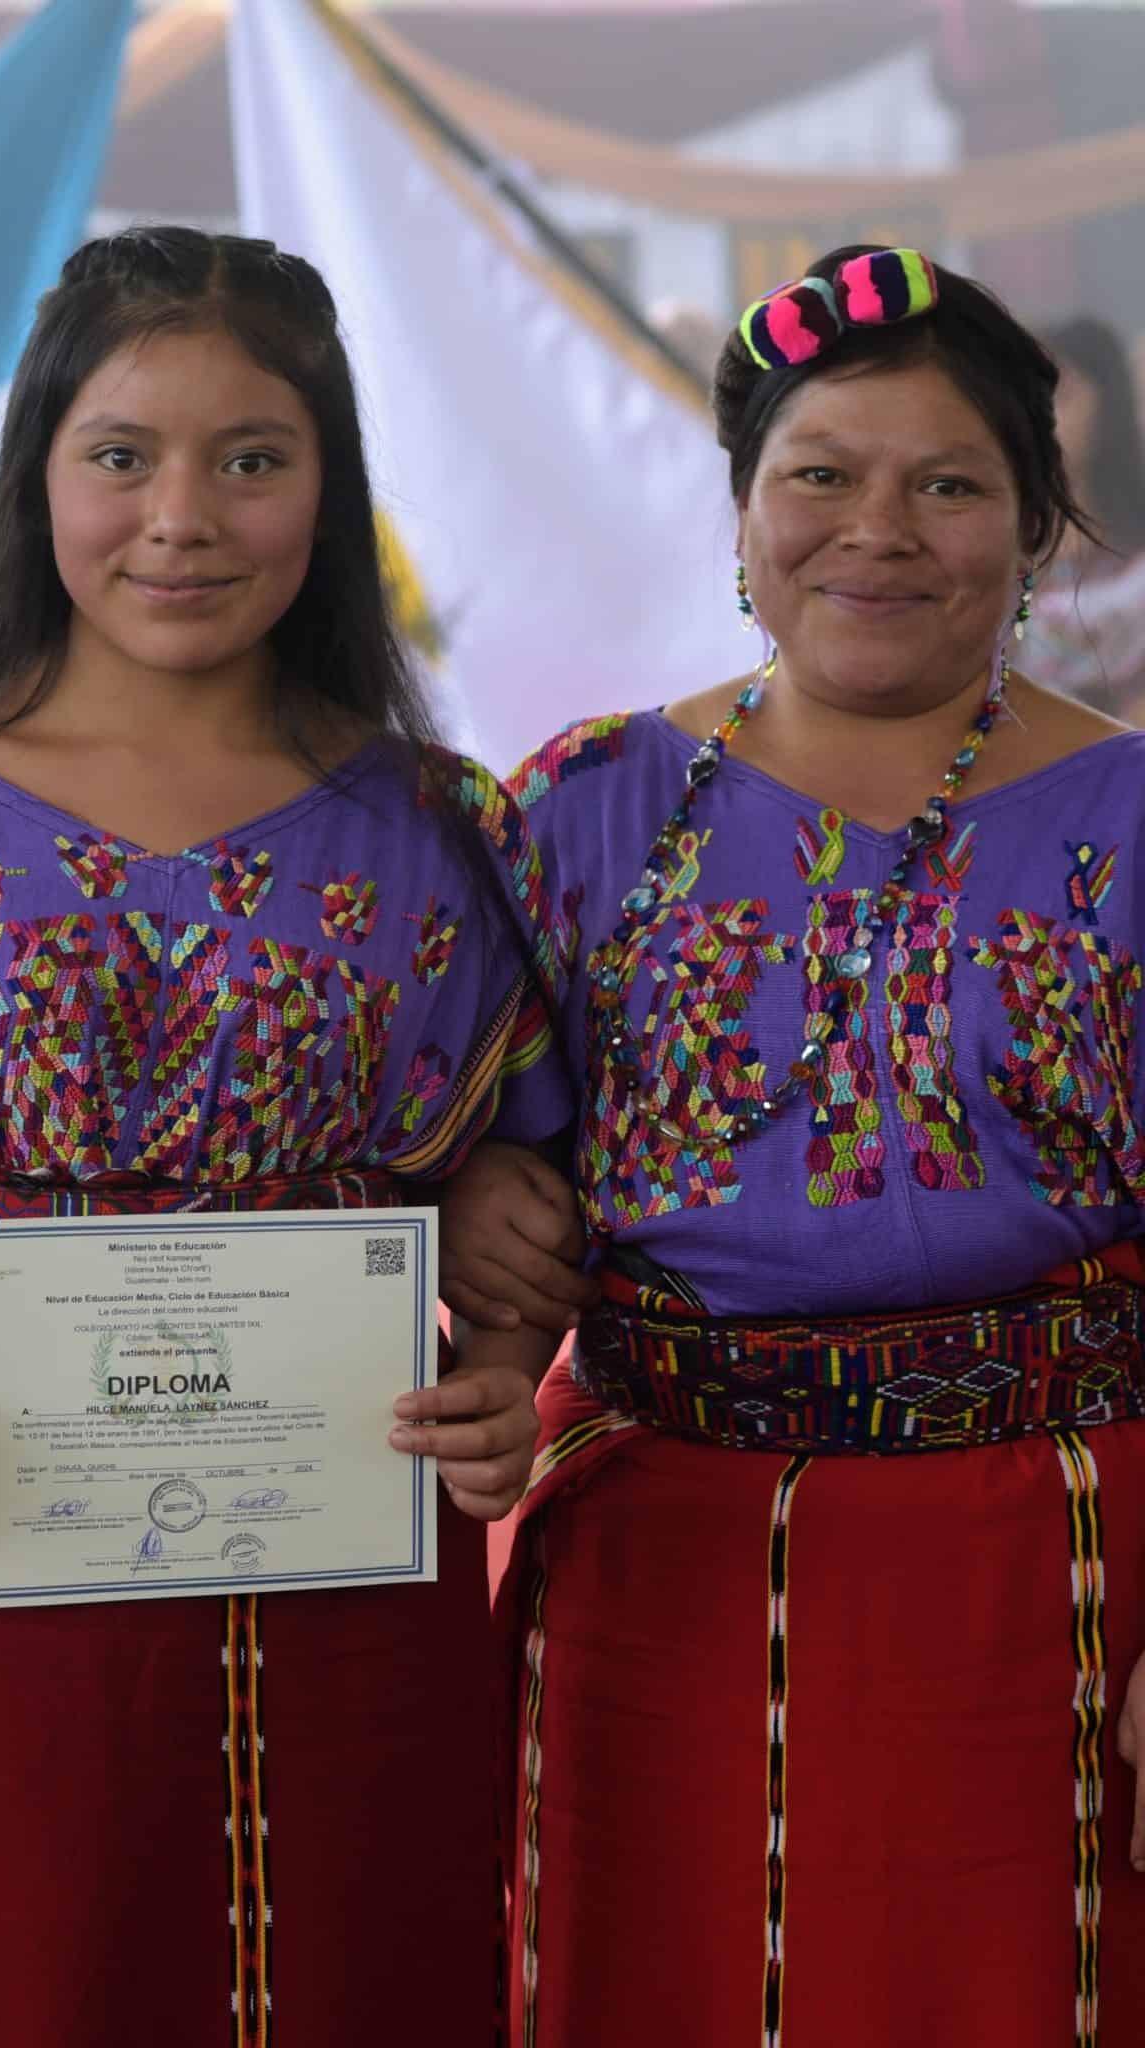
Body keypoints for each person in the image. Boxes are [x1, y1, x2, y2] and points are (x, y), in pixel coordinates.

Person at [0, 225, 574, 2045]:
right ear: (37, 474)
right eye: (121, 454)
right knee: (9, 1964)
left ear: (327, 484)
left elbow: (525, 1177)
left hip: (349, 1561)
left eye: (251, 457)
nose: (183, 515)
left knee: (341, 1969)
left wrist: (506, 1365)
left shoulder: (439, 823)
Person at [450, 245, 1145, 2044]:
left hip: (1058, 1570)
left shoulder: (1133, 814)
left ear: (1034, 519)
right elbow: (467, 1130)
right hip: (657, 1574)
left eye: (947, 483)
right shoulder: (580, 803)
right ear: (740, 517)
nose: (877, 531)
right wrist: (473, 1200)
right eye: (819, 475)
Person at [1021, 314, 1145, 720]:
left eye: (1060, 394)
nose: (1039, 415)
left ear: (1109, 401)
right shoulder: (1002, 541)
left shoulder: (1134, 550)